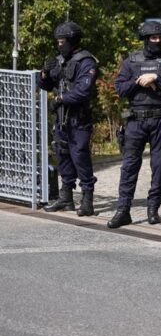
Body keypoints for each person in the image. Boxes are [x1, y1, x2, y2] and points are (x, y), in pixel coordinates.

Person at [107, 21, 161, 228]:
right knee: (130, 166)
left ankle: (153, 209)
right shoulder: (132, 61)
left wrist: (156, 78)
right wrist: (137, 81)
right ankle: (123, 210)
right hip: (136, 120)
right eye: (153, 38)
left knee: (158, 166)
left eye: (159, 38)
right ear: (145, 39)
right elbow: (120, 88)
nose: (157, 41)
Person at [38, 21, 98, 217]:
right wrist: (45, 72)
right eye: (58, 42)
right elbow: (46, 85)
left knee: (79, 156)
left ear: (72, 41)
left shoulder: (86, 61)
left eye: (62, 42)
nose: (59, 45)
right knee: (62, 154)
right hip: (62, 119)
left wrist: (61, 99)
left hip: (78, 119)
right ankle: (66, 198)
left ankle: (87, 199)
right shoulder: (60, 60)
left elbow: (83, 91)